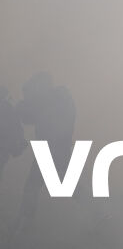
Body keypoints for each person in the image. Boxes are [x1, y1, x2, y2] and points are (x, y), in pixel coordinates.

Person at [11, 72, 74, 242]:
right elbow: (29, 115)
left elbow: (29, 115)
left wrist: (18, 106)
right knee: (68, 187)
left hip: (53, 150)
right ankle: (99, 217)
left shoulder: (51, 102)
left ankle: (26, 223)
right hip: (55, 149)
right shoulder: (59, 100)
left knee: (32, 187)